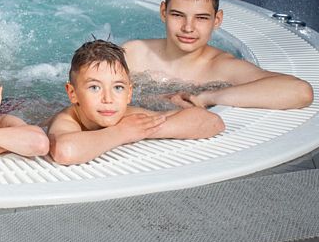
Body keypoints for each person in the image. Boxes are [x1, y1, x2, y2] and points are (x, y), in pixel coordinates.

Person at [122, 0, 313, 110]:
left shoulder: (223, 68)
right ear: (164, 12)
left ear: (217, 20)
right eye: (178, 15)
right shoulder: (135, 53)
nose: (188, 28)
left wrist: (207, 97)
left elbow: (300, 91)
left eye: (201, 18)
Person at [48, 40, 224, 165]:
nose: (108, 99)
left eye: (118, 88)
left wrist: (143, 129)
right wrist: (122, 132)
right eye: (94, 87)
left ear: (129, 93)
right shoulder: (67, 120)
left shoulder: (128, 115)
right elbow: (65, 151)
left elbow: (212, 122)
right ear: (72, 93)